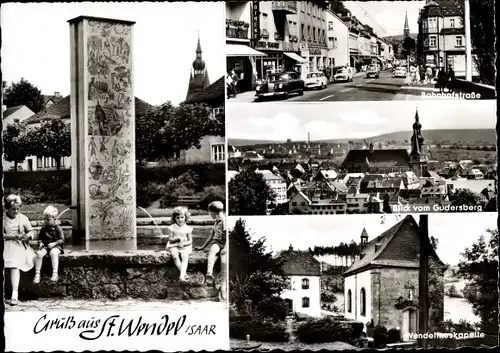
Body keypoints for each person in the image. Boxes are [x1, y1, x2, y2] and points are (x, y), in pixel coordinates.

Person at [3, 194, 35, 305]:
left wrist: (28, 236)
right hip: (5, 245)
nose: (16, 211)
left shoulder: (23, 218)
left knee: (15, 263)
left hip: (20, 246)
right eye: (13, 209)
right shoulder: (3, 218)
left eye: (18, 209)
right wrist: (12, 236)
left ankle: (14, 294)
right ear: (7, 208)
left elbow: (31, 231)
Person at [195, 201, 226, 286]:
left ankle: (222, 283)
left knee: (224, 260)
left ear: (213, 212)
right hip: (217, 243)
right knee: (212, 251)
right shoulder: (216, 221)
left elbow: (229, 234)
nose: (209, 214)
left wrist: (226, 248)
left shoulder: (224, 221)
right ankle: (209, 273)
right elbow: (211, 235)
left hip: (225, 244)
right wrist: (203, 247)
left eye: (209, 212)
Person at [34, 206, 65, 283]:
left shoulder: (58, 228)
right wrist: (40, 243)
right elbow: (39, 239)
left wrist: (54, 243)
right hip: (46, 247)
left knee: (53, 252)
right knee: (38, 254)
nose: (45, 221)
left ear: (55, 219)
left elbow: (62, 240)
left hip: (56, 247)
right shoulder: (43, 229)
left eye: (48, 219)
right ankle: (37, 274)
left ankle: (55, 273)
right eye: (44, 219)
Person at [166, 207, 193, 283]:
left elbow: (190, 241)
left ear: (185, 217)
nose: (180, 219)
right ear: (174, 218)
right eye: (178, 217)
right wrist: (177, 239)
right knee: (175, 256)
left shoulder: (188, 228)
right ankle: (184, 274)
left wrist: (184, 243)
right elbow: (170, 239)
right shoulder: (171, 228)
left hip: (185, 246)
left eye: (182, 217)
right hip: (174, 245)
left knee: (185, 257)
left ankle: (181, 276)